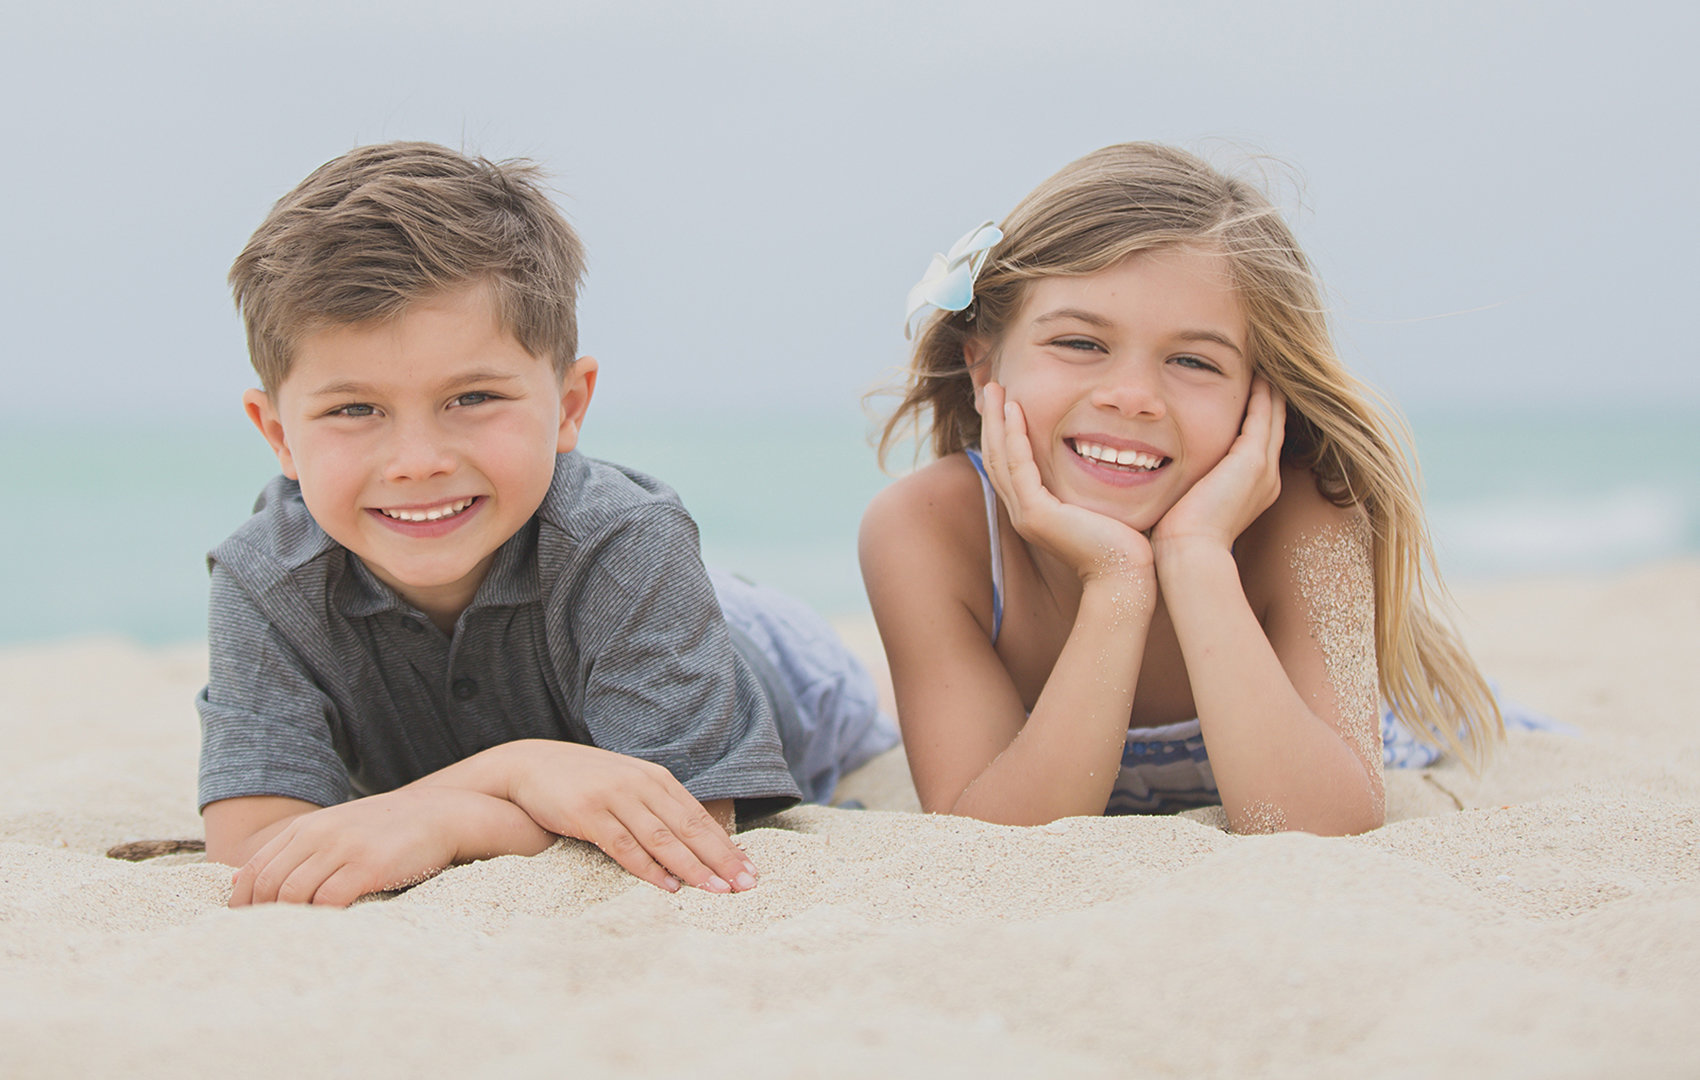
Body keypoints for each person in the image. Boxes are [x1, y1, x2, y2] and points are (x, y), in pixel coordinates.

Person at [200, 141, 894, 906]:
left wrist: (449, 819)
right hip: (586, 643)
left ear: (568, 406)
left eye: (472, 398)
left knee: (793, 666)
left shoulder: (628, 540)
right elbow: (250, 844)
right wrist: (514, 771)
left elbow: (690, 822)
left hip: (782, 664)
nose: (418, 460)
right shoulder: (266, 577)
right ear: (277, 434)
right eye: (353, 410)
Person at [859, 142, 1500, 835]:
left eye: (1194, 360)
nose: (1134, 397)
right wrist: (1116, 583)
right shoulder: (928, 529)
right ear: (983, 365)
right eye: (1080, 343)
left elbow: (1322, 829)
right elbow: (990, 838)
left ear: (1261, 396)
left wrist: (1197, 557)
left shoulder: (1310, 509)